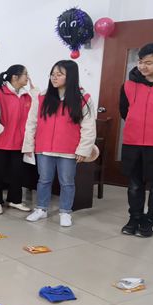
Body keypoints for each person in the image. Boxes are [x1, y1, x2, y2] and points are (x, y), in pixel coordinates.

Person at [22, 60, 96, 227]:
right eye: (52, 74)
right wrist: (28, 145)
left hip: (69, 149)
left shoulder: (83, 98)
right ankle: (41, 209)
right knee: (44, 180)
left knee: (67, 182)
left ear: (71, 77)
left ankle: (65, 211)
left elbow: (89, 126)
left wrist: (83, 149)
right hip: (44, 147)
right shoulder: (42, 97)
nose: (54, 77)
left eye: (59, 74)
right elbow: (31, 122)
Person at [119, 43, 153, 237]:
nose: (142, 66)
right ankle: (135, 217)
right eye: (140, 62)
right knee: (134, 184)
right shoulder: (129, 85)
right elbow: (124, 111)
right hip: (133, 142)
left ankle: (151, 220)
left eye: (149, 62)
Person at [0, 64, 37, 215]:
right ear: (15, 77)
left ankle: (15, 200)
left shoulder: (26, 95)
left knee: (17, 173)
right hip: (0, 141)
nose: (28, 77)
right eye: (25, 74)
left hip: (19, 142)